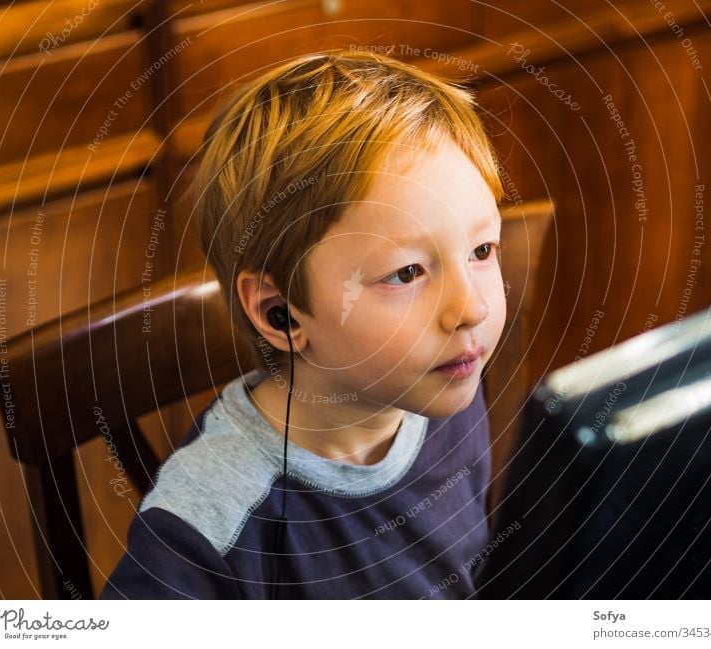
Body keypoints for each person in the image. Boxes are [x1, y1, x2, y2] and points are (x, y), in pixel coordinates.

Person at [100, 48, 507, 599]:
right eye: (406, 272)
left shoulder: (447, 382)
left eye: (482, 249)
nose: (472, 309)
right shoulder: (212, 519)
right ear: (282, 312)